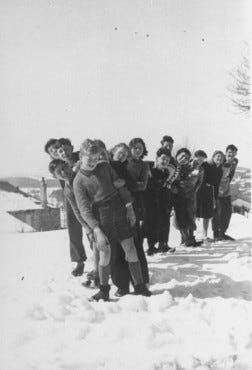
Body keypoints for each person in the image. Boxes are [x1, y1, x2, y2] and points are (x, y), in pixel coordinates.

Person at [73, 139, 151, 301]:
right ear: (81, 156)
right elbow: (84, 209)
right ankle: (104, 290)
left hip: (120, 209)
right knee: (105, 254)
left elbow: (120, 187)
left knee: (130, 248)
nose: (94, 162)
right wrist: (96, 229)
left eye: (96, 158)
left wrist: (129, 208)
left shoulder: (105, 167)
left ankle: (140, 287)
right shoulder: (78, 181)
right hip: (102, 216)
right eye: (90, 159)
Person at [44, 138, 87, 277]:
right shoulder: (55, 165)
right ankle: (79, 261)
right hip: (70, 197)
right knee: (73, 227)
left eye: (55, 150)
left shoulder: (76, 156)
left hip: (86, 194)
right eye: (52, 152)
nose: (55, 153)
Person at [125, 137, 150, 283]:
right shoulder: (123, 162)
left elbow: (143, 186)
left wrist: (125, 184)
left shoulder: (143, 165)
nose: (137, 150)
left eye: (140, 148)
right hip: (121, 204)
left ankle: (142, 277)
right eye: (135, 147)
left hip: (136, 204)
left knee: (137, 241)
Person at [144, 147, 176, 255]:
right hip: (150, 201)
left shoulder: (166, 172)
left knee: (164, 223)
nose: (165, 162)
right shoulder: (148, 167)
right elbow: (153, 185)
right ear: (157, 158)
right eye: (163, 159)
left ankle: (163, 245)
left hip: (163, 200)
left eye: (167, 160)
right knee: (151, 224)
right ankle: (151, 247)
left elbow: (159, 185)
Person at [172, 148, 203, 247]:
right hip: (178, 196)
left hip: (190, 196)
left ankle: (190, 238)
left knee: (190, 216)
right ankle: (186, 239)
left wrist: (193, 191)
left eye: (186, 157)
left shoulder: (192, 168)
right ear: (177, 156)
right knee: (180, 218)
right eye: (182, 156)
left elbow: (198, 182)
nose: (184, 158)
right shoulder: (173, 167)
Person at [212, 145, 238, 241]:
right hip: (217, 191)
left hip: (226, 190)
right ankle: (216, 234)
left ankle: (222, 233)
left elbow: (230, 175)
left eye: (233, 152)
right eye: (229, 152)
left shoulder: (235, 162)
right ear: (226, 152)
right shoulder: (221, 160)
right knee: (218, 212)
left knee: (228, 212)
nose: (231, 154)